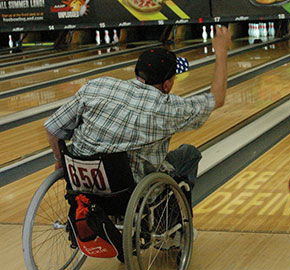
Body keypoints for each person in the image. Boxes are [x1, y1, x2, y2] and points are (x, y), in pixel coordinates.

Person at [44, 26, 231, 205]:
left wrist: (61, 162)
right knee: (189, 154)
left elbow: (53, 130)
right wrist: (221, 53)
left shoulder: (96, 87)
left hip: (82, 185)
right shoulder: (167, 108)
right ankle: (174, 220)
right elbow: (217, 98)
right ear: (166, 85)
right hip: (131, 192)